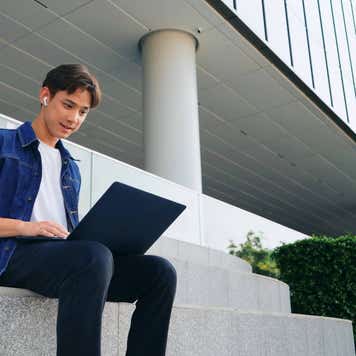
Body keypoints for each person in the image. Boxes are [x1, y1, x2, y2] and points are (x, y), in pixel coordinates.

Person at [0, 64, 177, 356]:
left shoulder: (71, 168)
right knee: (92, 256)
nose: (73, 118)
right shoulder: (5, 145)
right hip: (12, 254)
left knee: (159, 272)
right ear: (45, 95)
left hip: (63, 260)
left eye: (82, 112)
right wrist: (26, 227)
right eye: (68, 105)